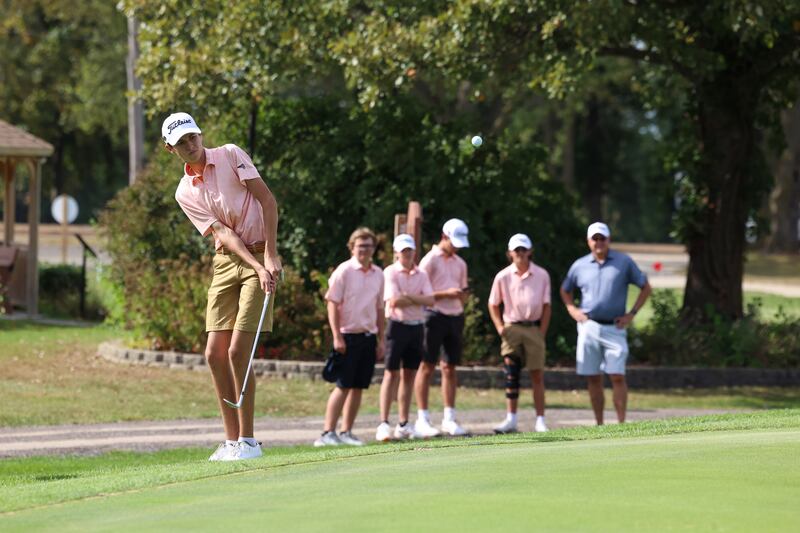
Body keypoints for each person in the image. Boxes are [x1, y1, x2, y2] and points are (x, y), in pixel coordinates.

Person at [167, 112, 281, 461]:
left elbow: (267, 201)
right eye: (182, 143)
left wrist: (270, 258)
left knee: (237, 353)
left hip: (262, 250)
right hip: (227, 262)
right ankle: (232, 441)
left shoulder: (231, 154)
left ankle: (249, 441)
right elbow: (223, 234)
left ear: (200, 134)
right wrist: (254, 264)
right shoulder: (185, 191)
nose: (191, 145)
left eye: (193, 137)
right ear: (171, 150)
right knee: (214, 354)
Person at [559, 222, 652, 425]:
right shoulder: (579, 265)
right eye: (595, 238)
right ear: (588, 241)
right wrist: (572, 309)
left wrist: (631, 314)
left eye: (603, 238)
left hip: (615, 327)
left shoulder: (623, 262)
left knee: (617, 375)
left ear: (609, 240)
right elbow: (565, 289)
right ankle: (599, 425)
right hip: (589, 326)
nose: (599, 242)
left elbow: (645, 287)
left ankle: (620, 424)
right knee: (593, 377)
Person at [315, 227, 385, 447]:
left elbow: (380, 309)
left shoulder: (379, 274)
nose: (365, 249)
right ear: (352, 247)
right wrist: (337, 337)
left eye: (369, 246)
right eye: (360, 245)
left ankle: (347, 431)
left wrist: (381, 339)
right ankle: (327, 433)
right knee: (343, 385)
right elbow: (332, 304)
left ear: (374, 248)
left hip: (368, 336)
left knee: (358, 386)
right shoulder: (344, 271)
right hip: (347, 336)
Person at [488, 233, 551, 434]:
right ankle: (511, 419)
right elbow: (493, 303)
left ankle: (540, 420)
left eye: (524, 250)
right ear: (510, 253)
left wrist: (541, 331)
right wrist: (499, 327)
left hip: (533, 327)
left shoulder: (542, 275)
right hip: (512, 327)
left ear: (530, 251)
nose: (520, 254)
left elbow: (546, 306)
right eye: (517, 250)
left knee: (537, 375)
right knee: (511, 375)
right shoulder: (503, 276)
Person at [376, 234, 435, 442]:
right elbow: (394, 301)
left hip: (416, 327)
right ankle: (384, 423)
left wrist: (408, 297)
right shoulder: (390, 272)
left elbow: (431, 299)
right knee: (391, 374)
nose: (407, 254)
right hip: (397, 326)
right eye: (403, 251)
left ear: (414, 252)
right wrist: (414, 299)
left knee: (409, 375)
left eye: (410, 251)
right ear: (396, 253)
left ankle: (403, 423)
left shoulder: (422, 273)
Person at [415, 218, 470, 437]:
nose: (456, 247)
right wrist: (445, 294)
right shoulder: (429, 260)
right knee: (427, 366)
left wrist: (460, 297)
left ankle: (449, 418)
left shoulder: (460, 263)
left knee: (450, 367)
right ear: (444, 236)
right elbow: (419, 293)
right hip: (433, 315)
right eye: (453, 242)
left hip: (454, 317)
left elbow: (464, 290)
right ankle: (423, 418)